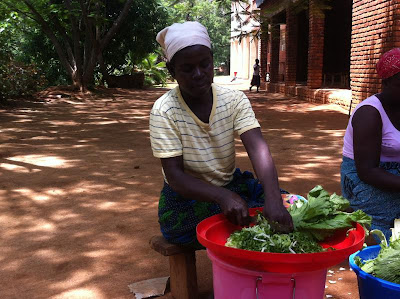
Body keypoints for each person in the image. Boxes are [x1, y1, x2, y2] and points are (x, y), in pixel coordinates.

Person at [150, 21, 293, 249]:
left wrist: (273, 198)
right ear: (172, 71)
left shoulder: (233, 100)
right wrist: (222, 197)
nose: (199, 74)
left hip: (231, 184)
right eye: (187, 68)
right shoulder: (164, 110)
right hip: (186, 198)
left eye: (205, 64)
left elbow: (258, 148)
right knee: (180, 227)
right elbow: (175, 176)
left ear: (212, 61)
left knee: (289, 204)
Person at [341, 47, 400, 242]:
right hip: (364, 177)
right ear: (386, 82)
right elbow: (367, 171)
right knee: (384, 236)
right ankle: (356, 210)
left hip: (394, 175)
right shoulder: (369, 113)